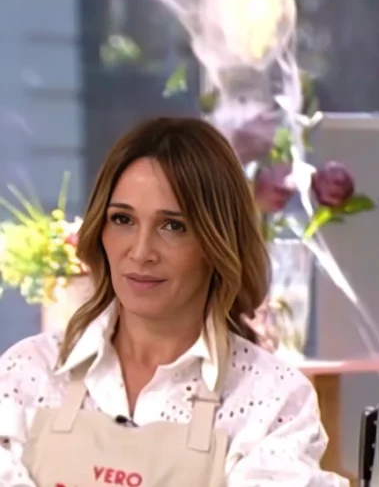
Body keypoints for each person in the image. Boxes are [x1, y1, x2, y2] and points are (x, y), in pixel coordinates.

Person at [0, 117, 347, 486]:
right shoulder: (27, 373)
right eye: (122, 219)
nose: (141, 252)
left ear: (217, 243)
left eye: (173, 226)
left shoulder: (272, 398)